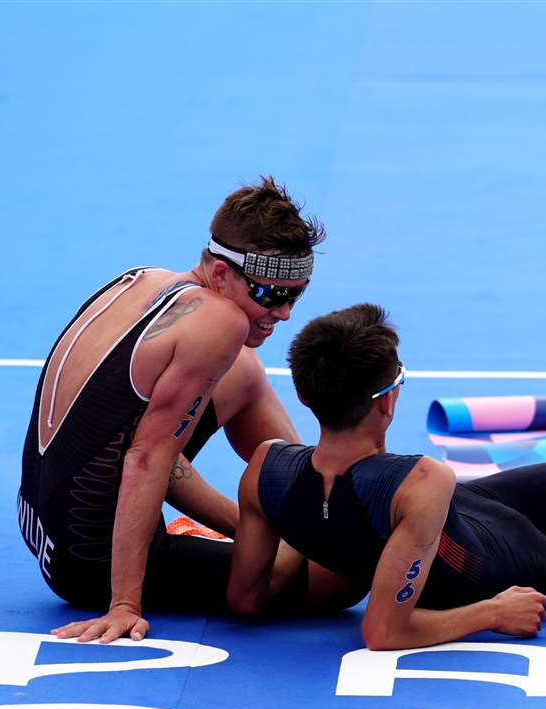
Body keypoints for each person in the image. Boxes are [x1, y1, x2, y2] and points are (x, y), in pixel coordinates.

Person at [226, 304, 546, 649]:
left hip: (460, 510)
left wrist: (331, 537)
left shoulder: (266, 470)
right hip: (508, 560)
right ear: (388, 401)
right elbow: (383, 631)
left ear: (302, 395)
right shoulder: (419, 479)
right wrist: (492, 612)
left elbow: (246, 599)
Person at [21, 177, 356, 644]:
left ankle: (311, 508)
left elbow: (133, 443)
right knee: (337, 576)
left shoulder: (146, 279)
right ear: (220, 273)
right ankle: (315, 518)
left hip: (42, 526)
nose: (283, 314)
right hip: (87, 561)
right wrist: (123, 606)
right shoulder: (219, 322)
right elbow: (145, 459)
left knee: (245, 371)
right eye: (270, 295)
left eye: (294, 295)